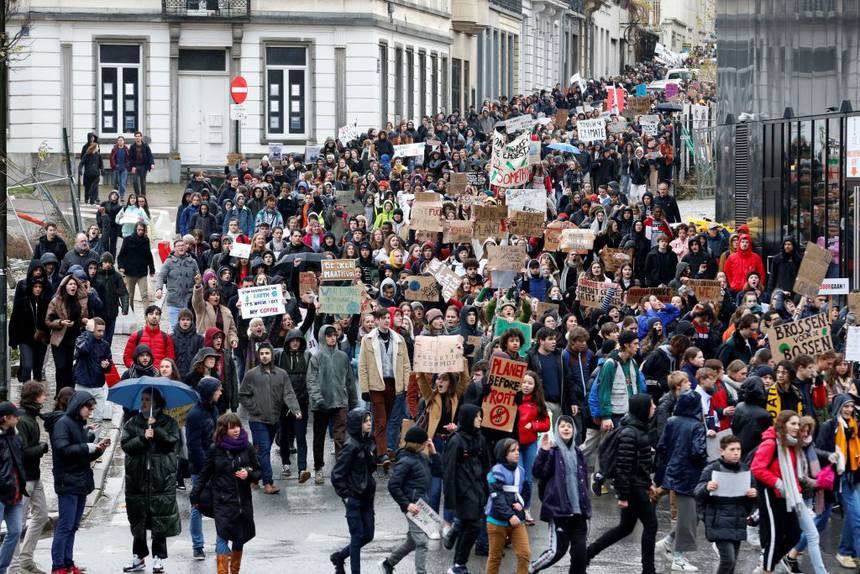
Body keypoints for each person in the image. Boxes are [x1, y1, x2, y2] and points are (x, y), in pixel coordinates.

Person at [586, 394, 658, 574]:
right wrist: (623, 496)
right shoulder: (630, 433)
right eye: (651, 405)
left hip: (637, 485)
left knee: (625, 528)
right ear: (643, 408)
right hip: (633, 489)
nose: (654, 407)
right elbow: (624, 467)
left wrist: (648, 482)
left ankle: (587, 553)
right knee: (651, 525)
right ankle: (648, 570)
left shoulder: (637, 428)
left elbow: (639, 463)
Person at [191, 413, 261, 574]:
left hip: (242, 502)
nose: (236, 430)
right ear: (223, 430)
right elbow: (204, 474)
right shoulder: (215, 449)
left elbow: (258, 471)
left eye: (237, 426)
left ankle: (235, 570)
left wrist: (248, 475)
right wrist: (195, 495)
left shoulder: (247, 447)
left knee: (240, 537)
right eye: (232, 427)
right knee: (222, 536)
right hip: (222, 501)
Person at [120, 389, 181, 574]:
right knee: (138, 521)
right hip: (138, 480)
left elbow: (172, 442)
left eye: (148, 400)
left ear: (157, 403)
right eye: (143, 399)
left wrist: (157, 431)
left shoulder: (168, 422)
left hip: (160, 479)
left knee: (159, 520)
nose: (144, 403)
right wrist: (142, 438)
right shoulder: (132, 423)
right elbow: (126, 446)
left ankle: (158, 558)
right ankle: (138, 557)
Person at [50, 391, 110, 574]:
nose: (90, 413)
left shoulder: (79, 424)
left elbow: (84, 454)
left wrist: (99, 448)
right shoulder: (63, 424)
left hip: (80, 480)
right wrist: (88, 446)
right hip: (67, 480)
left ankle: (68, 562)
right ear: (79, 406)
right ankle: (58, 565)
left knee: (74, 525)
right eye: (88, 409)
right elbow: (62, 449)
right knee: (66, 525)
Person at [528, 415, 591, 574]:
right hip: (559, 510)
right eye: (562, 426)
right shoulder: (552, 451)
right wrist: (543, 452)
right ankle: (529, 569)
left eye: (569, 426)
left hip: (579, 511)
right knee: (556, 551)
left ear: (574, 430)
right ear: (557, 429)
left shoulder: (578, 452)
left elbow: (583, 480)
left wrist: (586, 506)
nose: (566, 428)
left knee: (580, 554)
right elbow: (537, 473)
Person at [654, 391, 709, 571]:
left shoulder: (671, 421)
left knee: (689, 517)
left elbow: (662, 446)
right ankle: (678, 558)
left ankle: (668, 542)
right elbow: (698, 452)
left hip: (673, 472)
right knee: (689, 518)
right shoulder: (697, 426)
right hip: (691, 476)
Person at [238, 342, 301, 494]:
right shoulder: (251, 374)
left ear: (272, 355)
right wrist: (255, 409)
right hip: (257, 420)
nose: (264, 356)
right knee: (265, 450)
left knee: (259, 451)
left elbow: (289, 393)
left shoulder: (281, 374)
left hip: (274, 419)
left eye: (267, 353)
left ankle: (253, 477)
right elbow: (242, 395)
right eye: (262, 354)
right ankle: (268, 483)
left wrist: (295, 409)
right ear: (258, 356)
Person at [378, 426, 441, 574]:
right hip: (413, 506)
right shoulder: (405, 461)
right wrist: (407, 505)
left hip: (422, 505)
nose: (427, 444)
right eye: (425, 442)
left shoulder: (424, 457)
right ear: (417, 444)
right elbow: (393, 485)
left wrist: (434, 454)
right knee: (422, 542)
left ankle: (388, 564)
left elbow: (439, 472)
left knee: (413, 541)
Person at [694, 434, 757, 574]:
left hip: (738, 520)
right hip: (718, 520)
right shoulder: (712, 468)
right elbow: (697, 492)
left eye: (738, 449)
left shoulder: (745, 469)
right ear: (722, 451)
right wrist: (706, 487)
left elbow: (754, 496)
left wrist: (754, 494)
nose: (736, 453)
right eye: (732, 449)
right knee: (728, 560)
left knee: (732, 562)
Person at [751, 410, 804, 574]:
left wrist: (798, 491)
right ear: (783, 424)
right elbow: (757, 468)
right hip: (772, 493)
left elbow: (792, 472)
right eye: (792, 423)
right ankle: (767, 569)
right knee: (775, 536)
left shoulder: (791, 443)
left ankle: (766, 564)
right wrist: (777, 483)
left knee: (795, 534)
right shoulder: (771, 443)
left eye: (798, 424)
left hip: (788, 496)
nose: (796, 427)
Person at [358, 309, 411, 467]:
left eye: (388, 317)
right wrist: (364, 389)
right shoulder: (368, 340)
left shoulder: (399, 339)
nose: (387, 321)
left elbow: (406, 365)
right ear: (377, 321)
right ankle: (383, 454)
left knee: (387, 420)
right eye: (383, 318)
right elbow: (363, 366)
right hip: (376, 385)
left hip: (393, 385)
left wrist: (406, 385)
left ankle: (375, 449)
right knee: (380, 420)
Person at [443, 404, 491, 573]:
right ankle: (459, 564)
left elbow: (486, 466)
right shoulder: (456, 441)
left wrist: (488, 488)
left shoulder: (480, 439)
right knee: (474, 526)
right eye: (477, 416)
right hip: (463, 490)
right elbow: (448, 470)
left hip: (477, 488)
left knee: (468, 524)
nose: (480, 419)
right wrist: (450, 498)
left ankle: (457, 561)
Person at [307, 325, 357, 485]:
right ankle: (318, 468)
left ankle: (341, 469)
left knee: (341, 437)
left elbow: (350, 380)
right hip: (321, 403)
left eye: (334, 335)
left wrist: (353, 401)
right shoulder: (316, 357)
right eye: (328, 335)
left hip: (339, 401)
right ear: (323, 337)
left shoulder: (342, 356)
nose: (332, 338)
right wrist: (318, 399)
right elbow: (311, 380)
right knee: (319, 437)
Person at [330, 408, 376, 574]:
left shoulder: (369, 442)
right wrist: (346, 496)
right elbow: (337, 474)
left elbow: (370, 469)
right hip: (355, 499)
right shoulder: (351, 446)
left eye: (370, 420)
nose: (369, 423)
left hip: (368, 497)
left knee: (368, 535)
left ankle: (340, 556)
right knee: (357, 538)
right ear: (358, 424)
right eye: (365, 421)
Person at [816, 394, 860, 569]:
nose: (849, 410)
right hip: (833, 480)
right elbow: (816, 450)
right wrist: (830, 455)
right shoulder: (829, 426)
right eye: (845, 406)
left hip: (850, 478)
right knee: (821, 520)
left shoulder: (855, 426)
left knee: (855, 517)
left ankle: (846, 551)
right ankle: (794, 551)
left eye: (851, 406)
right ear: (838, 407)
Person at [12, 382, 50, 574]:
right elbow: (23, 451)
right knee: (18, 523)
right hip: (24, 478)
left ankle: (26, 559)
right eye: (43, 395)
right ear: (34, 397)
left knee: (42, 515)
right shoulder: (22, 419)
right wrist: (41, 448)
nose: (45, 398)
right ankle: (15, 566)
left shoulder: (31, 417)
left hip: (34, 475)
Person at [183, 377, 221, 560]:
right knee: (197, 506)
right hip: (200, 468)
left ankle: (221, 542)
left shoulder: (214, 409)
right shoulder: (194, 415)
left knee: (220, 505)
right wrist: (207, 467)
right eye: (217, 390)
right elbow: (194, 446)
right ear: (209, 393)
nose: (220, 393)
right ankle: (197, 546)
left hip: (216, 465)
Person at [485, 438, 531, 574]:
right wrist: (510, 514)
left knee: (525, 554)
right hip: (497, 521)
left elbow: (525, 491)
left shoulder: (521, 471)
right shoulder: (496, 471)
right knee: (495, 557)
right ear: (503, 453)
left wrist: (521, 505)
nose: (517, 453)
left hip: (517, 520)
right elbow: (496, 496)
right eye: (512, 451)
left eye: (518, 450)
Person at [516, 370, 551, 524]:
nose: (526, 385)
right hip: (514, 445)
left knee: (529, 480)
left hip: (529, 443)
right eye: (524, 382)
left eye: (530, 383)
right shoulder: (514, 399)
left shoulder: (538, 402)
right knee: (519, 478)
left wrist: (534, 425)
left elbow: (546, 423)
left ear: (535, 385)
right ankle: (516, 509)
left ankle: (527, 509)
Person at [45, 276, 89, 392]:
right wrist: (61, 322)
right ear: (64, 286)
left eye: (74, 284)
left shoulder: (81, 301)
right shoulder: (56, 301)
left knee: (71, 368)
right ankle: (60, 392)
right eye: (70, 284)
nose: (73, 286)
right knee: (60, 367)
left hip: (74, 338)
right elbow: (48, 321)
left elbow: (83, 318)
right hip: (59, 339)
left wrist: (85, 321)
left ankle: (69, 393)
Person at [9, 276, 50, 383]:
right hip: (25, 339)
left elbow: (50, 320)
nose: (37, 289)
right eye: (35, 286)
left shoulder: (46, 303)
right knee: (27, 366)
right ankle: (26, 392)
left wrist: (47, 336)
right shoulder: (22, 302)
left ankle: (35, 395)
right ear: (31, 288)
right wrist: (13, 340)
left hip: (41, 340)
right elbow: (14, 321)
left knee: (38, 370)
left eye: (40, 287)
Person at [72, 317, 113, 422]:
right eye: (99, 330)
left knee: (98, 418)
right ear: (91, 329)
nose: (101, 333)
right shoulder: (81, 339)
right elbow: (84, 349)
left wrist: (107, 365)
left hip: (98, 386)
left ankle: (95, 438)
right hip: (82, 384)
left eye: (103, 331)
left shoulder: (105, 345)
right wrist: (90, 333)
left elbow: (109, 364)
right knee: (79, 416)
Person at [154, 238, 200, 330]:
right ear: (174, 248)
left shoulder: (193, 262)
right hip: (174, 301)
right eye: (178, 246)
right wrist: (159, 289)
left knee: (188, 329)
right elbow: (161, 276)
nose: (181, 248)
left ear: (185, 247)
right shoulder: (169, 262)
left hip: (189, 301)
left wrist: (199, 283)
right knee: (175, 329)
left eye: (182, 245)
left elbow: (198, 279)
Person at [117, 223, 155, 311]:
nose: (141, 232)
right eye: (139, 230)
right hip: (129, 272)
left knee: (145, 295)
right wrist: (121, 266)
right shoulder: (127, 240)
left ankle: (147, 316)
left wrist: (152, 268)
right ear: (135, 229)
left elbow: (148, 255)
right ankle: (132, 315)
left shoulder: (146, 240)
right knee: (130, 296)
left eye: (142, 230)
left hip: (142, 272)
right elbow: (121, 255)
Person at [129, 131, 154, 196]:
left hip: (143, 166)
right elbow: (130, 158)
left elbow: (150, 155)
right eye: (136, 136)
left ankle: (143, 195)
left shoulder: (145, 145)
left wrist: (152, 163)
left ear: (141, 137)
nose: (137, 138)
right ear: (135, 138)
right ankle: (137, 195)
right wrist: (132, 166)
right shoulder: (132, 146)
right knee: (135, 181)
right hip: (135, 166)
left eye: (139, 136)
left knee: (143, 182)